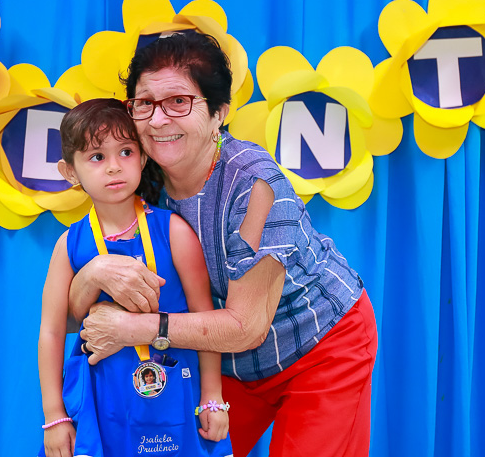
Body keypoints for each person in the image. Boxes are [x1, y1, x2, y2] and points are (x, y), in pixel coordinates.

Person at [72, 33, 378, 457]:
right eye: (144, 103)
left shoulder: (255, 187)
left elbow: (246, 327)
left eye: (179, 101)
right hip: (222, 358)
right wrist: (93, 273)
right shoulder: (136, 177)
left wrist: (132, 329)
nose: (157, 120)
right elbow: (73, 320)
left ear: (219, 112)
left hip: (319, 346)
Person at [37, 98, 233, 457]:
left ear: (143, 158)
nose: (114, 166)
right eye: (97, 156)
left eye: (126, 152)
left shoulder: (173, 231)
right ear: (70, 172)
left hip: (175, 392)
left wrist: (212, 397)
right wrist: (54, 416)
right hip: (100, 404)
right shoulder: (69, 245)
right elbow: (51, 331)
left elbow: (205, 316)